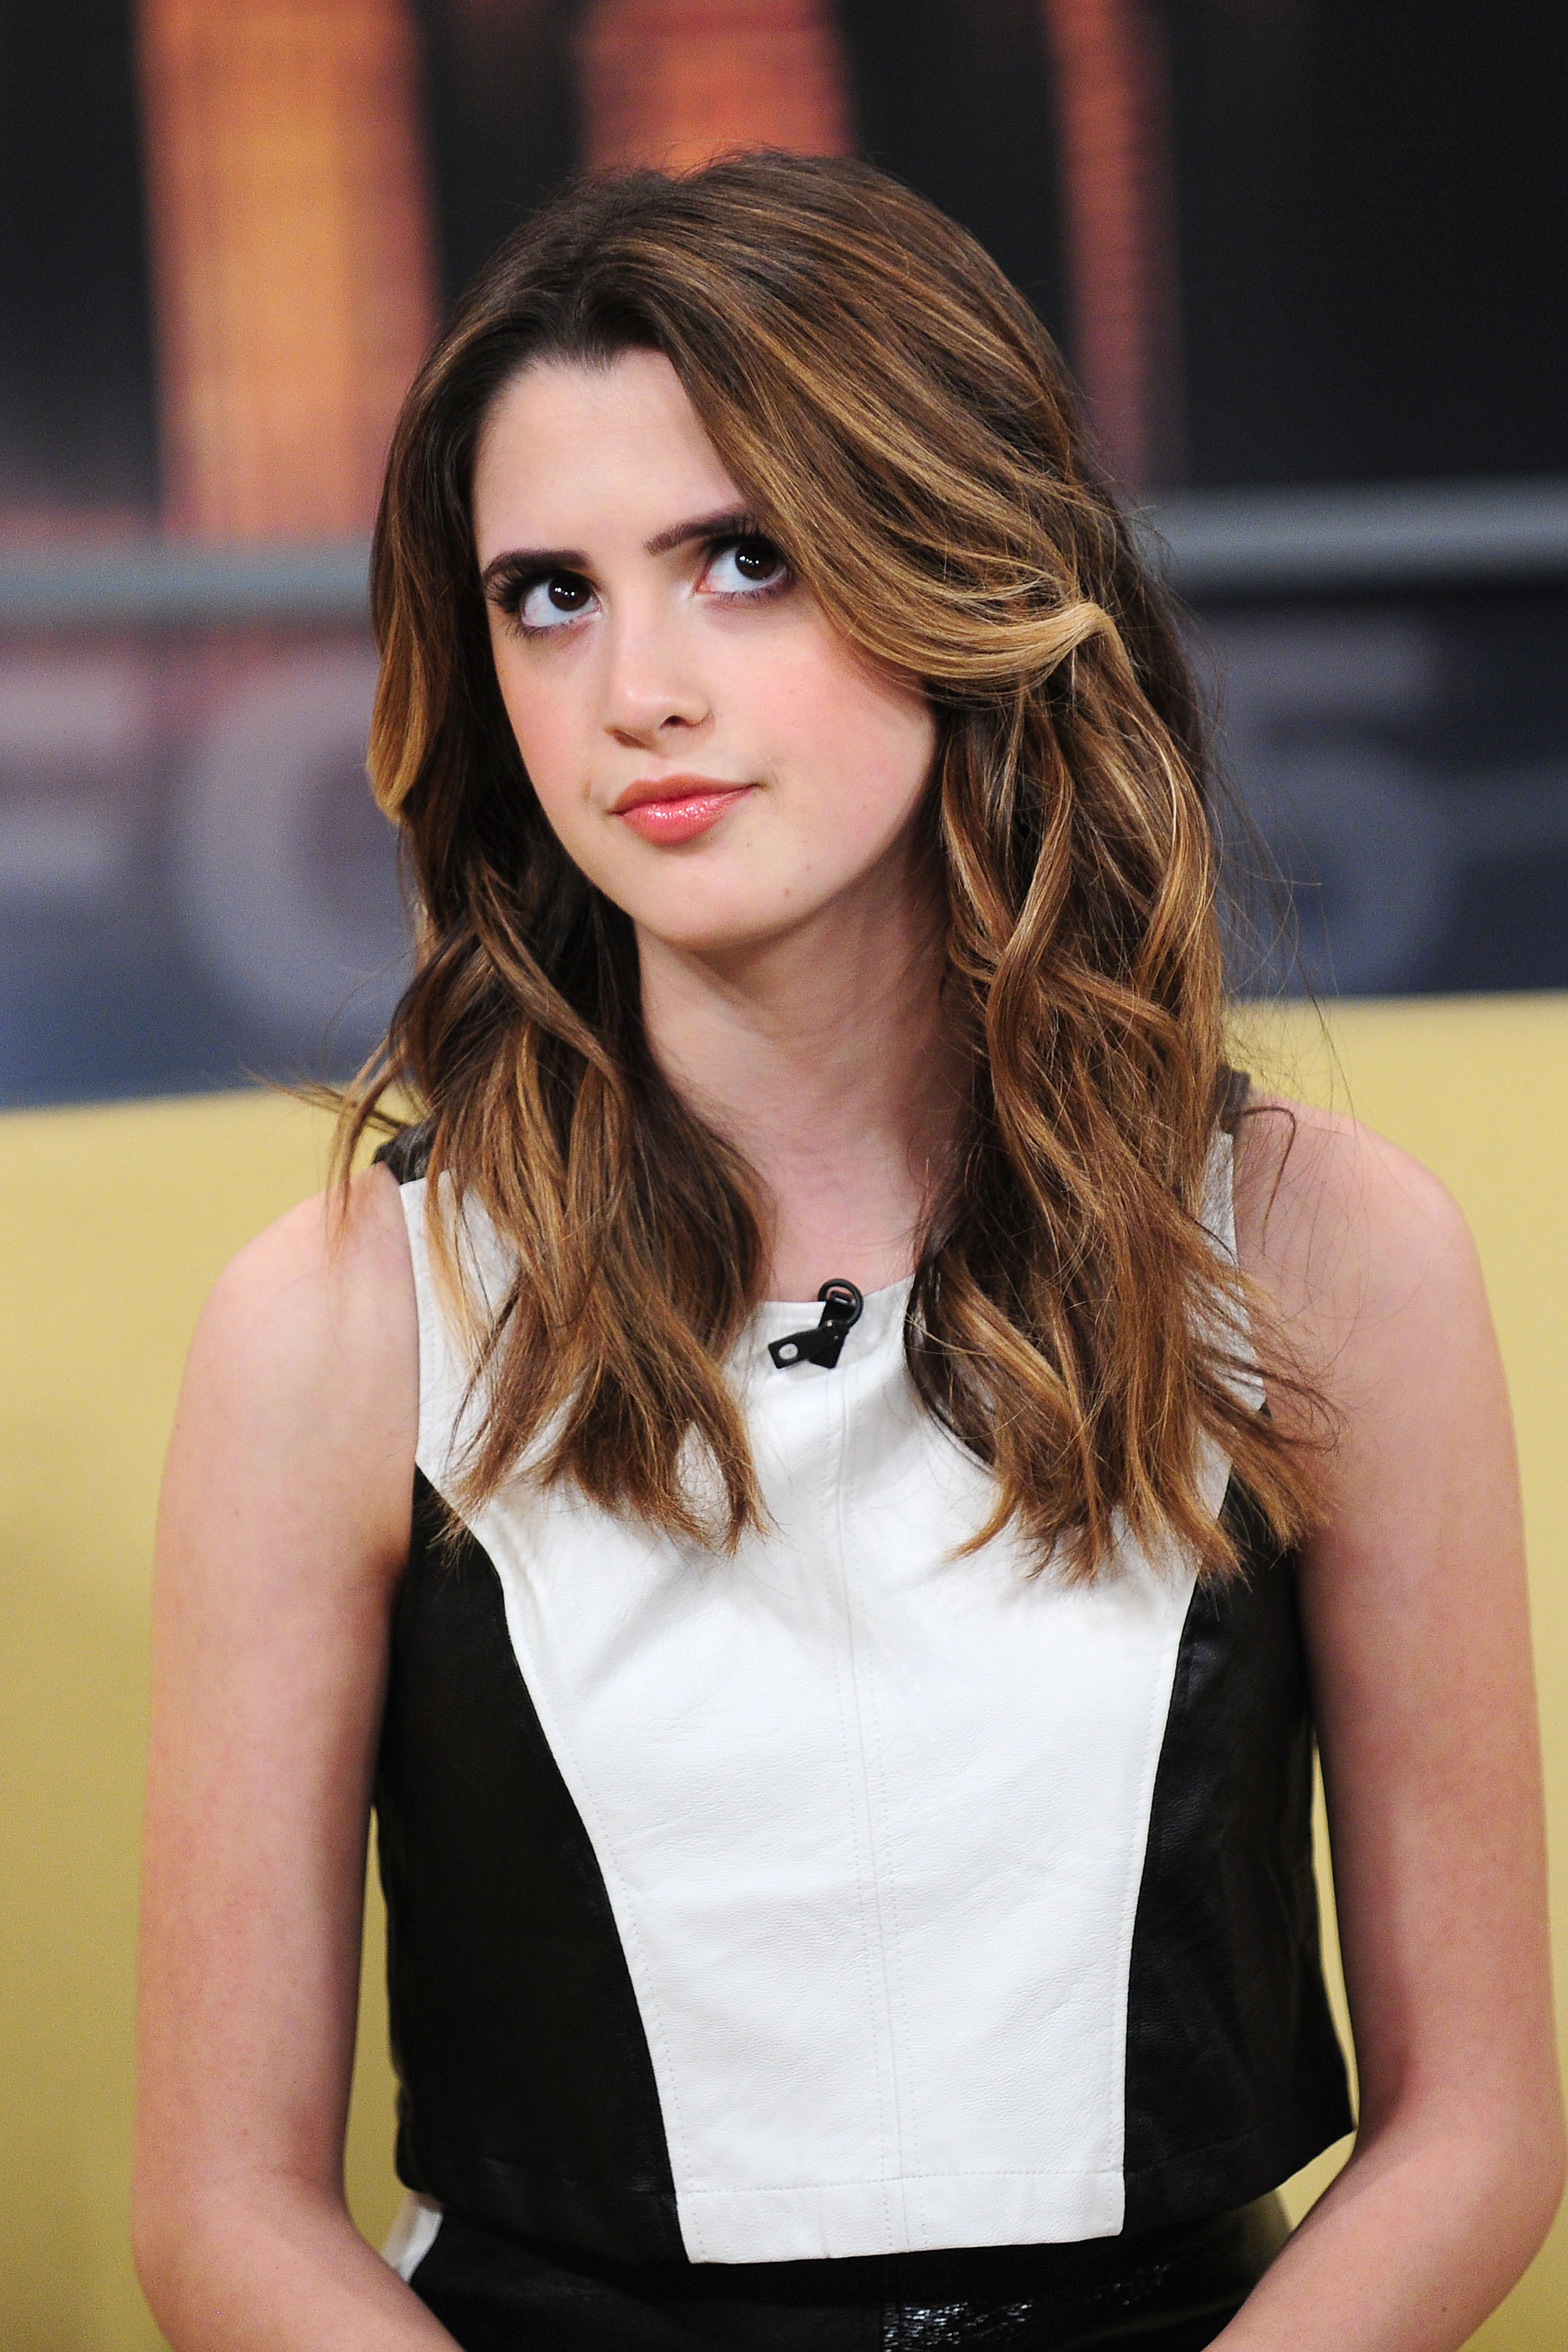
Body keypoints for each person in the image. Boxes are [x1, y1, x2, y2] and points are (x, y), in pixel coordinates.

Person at [132, 155, 1561, 2351]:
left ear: (958, 562)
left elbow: (1478, 2129)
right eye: (548, 595)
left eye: (744, 561)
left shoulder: (1321, 1253)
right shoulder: (334, 1323)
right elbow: (222, 2213)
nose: (636, 690)